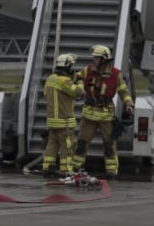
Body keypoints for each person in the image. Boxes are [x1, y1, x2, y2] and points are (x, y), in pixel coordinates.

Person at [72, 44, 134, 179]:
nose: (94, 60)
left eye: (97, 58)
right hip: (89, 115)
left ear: (104, 60)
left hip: (106, 116)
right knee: (82, 143)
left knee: (109, 145)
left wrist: (129, 104)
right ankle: (76, 167)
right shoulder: (87, 70)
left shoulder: (116, 74)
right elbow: (76, 77)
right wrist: (78, 83)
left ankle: (111, 171)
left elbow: (123, 91)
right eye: (94, 57)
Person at [42, 53, 84, 177]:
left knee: (52, 146)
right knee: (67, 148)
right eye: (72, 66)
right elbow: (78, 92)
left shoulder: (50, 79)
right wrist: (80, 81)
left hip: (52, 121)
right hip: (64, 122)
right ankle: (66, 171)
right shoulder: (64, 80)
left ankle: (47, 168)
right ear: (67, 67)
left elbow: (46, 94)